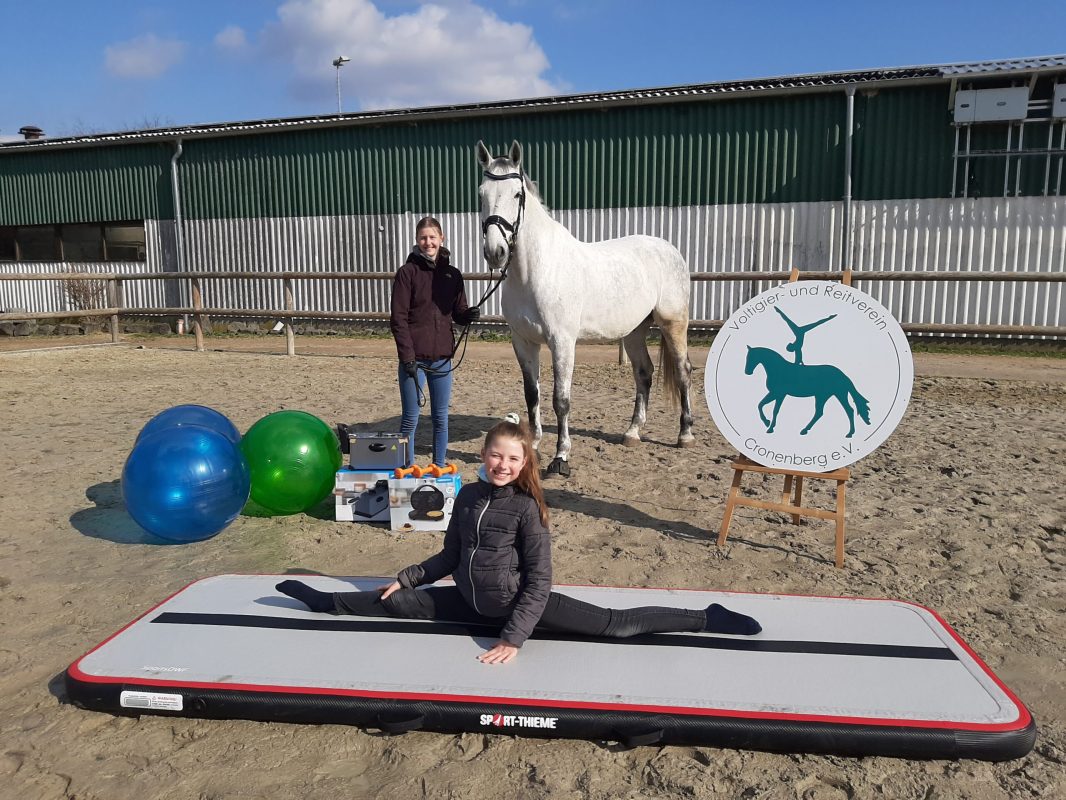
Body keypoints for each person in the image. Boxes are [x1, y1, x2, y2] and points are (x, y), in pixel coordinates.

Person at [277, 419, 761, 665]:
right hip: (469, 600)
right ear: (484, 456)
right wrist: (407, 576)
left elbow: (540, 581)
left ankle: (705, 616)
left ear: (523, 462)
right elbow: (450, 554)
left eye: (512, 458)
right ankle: (324, 601)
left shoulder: (528, 509)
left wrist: (513, 638)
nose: (501, 465)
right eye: (494, 456)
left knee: (615, 627)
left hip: (516, 605)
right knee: (397, 601)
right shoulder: (465, 496)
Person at [389, 216, 480, 467]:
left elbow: (458, 312)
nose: (428, 242)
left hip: (442, 358)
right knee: (411, 418)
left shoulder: (452, 275)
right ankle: (405, 469)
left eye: (432, 237)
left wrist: (468, 315)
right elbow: (399, 319)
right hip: (414, 360)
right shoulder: (407, 274)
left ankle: (438, 466)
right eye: (423, 238)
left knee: (440, 418)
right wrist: (407, 357)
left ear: (442, 239)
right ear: (417, 241)